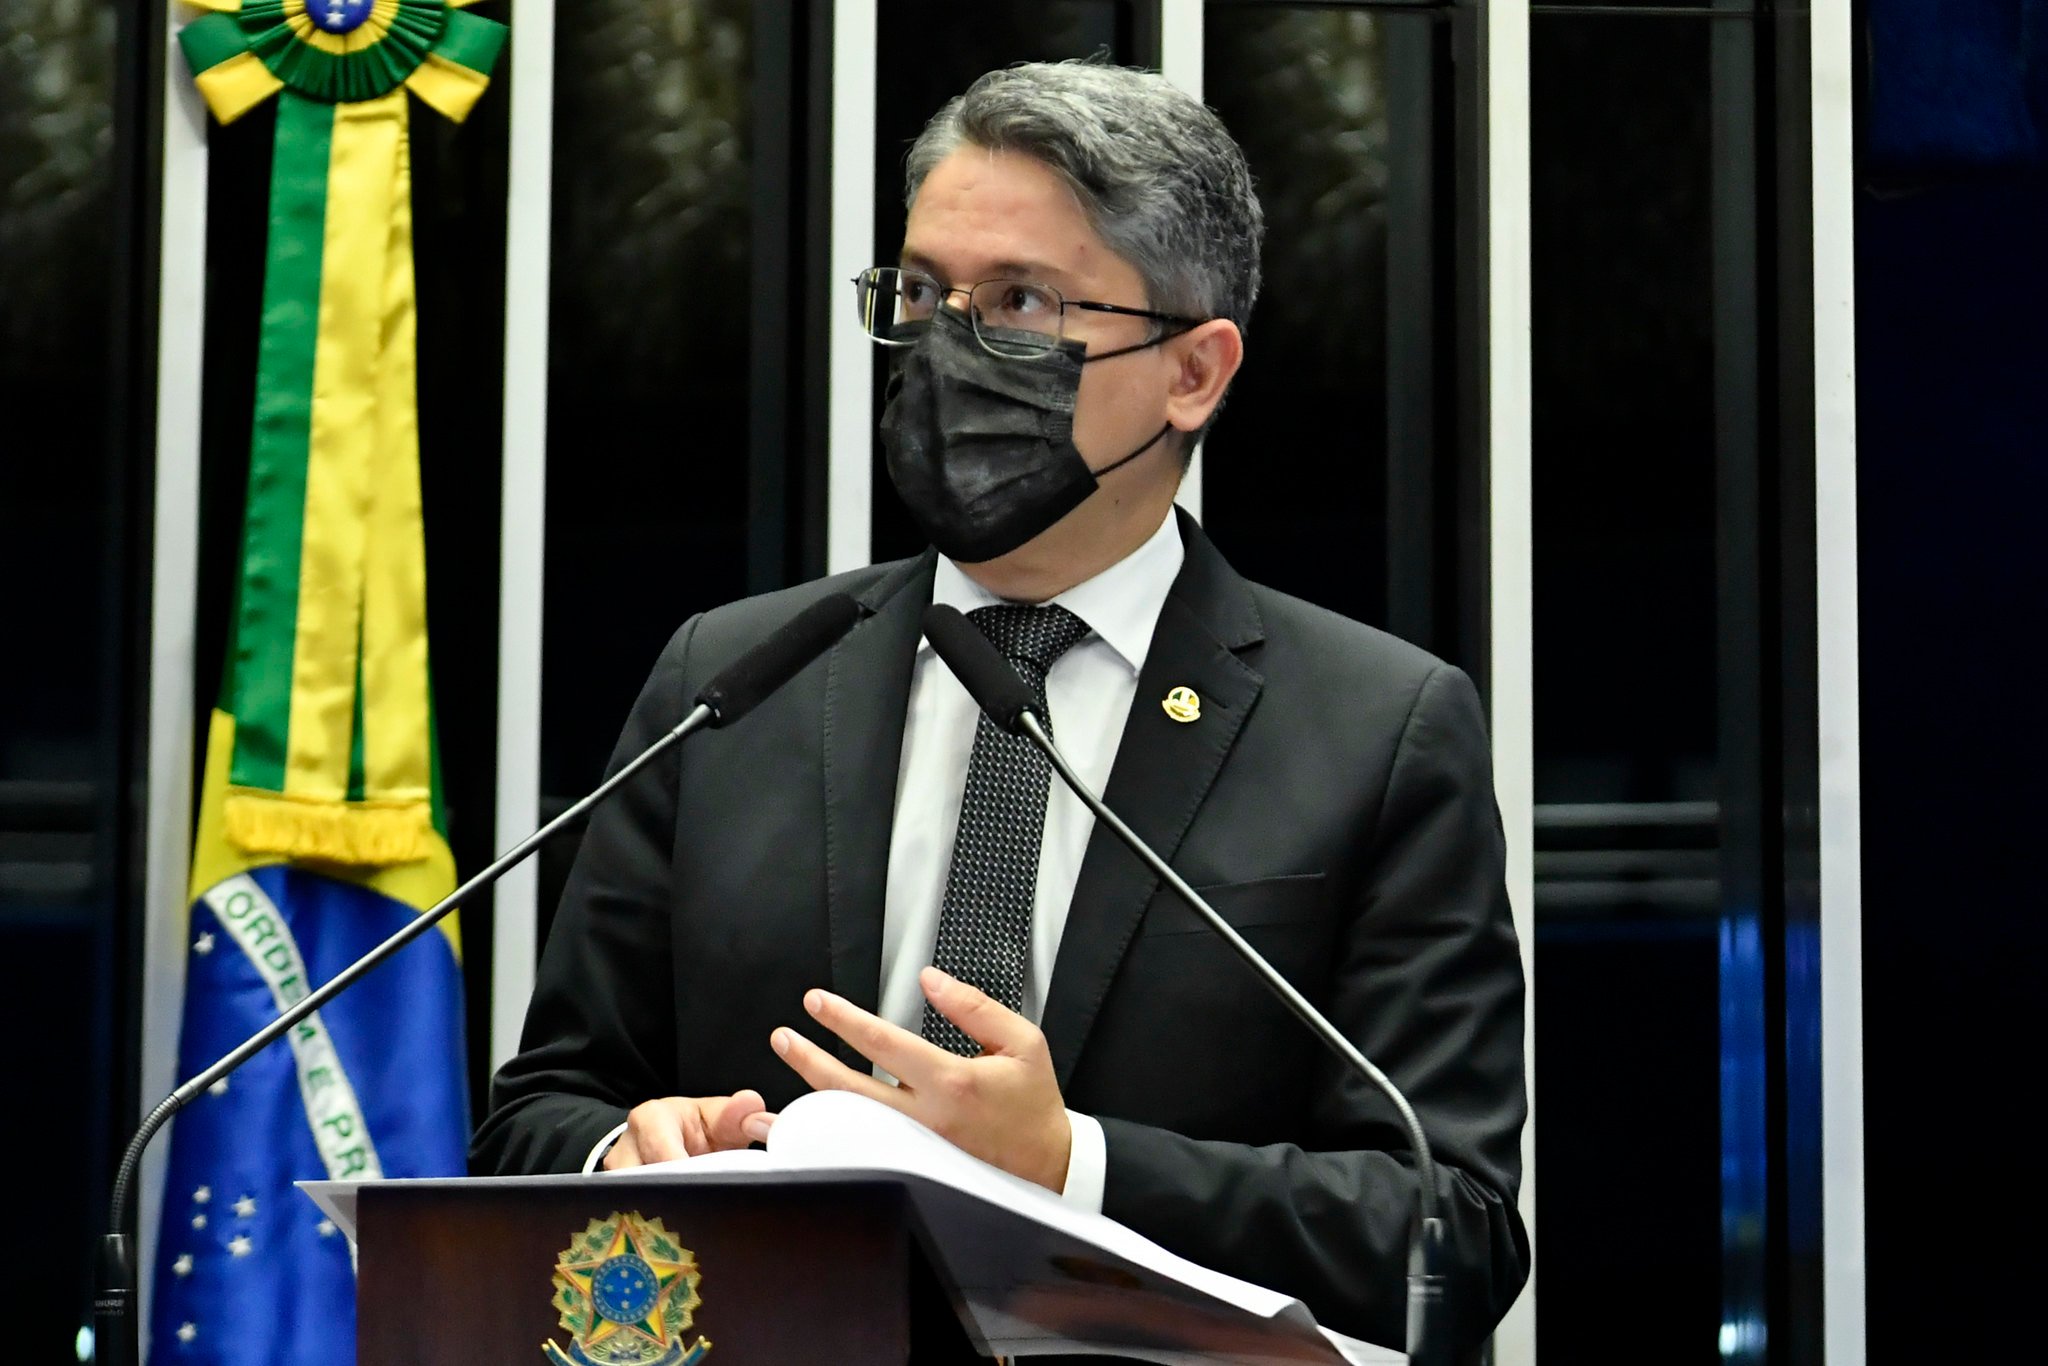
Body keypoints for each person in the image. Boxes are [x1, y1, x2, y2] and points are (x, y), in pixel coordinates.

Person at [472, 59, 1529, 1352]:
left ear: (1194, 371)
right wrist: (622, 1149)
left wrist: (1070, 1162)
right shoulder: (732, 681)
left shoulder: (1377, 731)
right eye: (923, 295)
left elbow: (1450, 1227)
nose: (949, 350)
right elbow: (541, 1107)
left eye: (1020, 302)